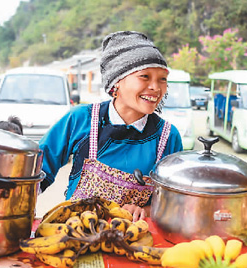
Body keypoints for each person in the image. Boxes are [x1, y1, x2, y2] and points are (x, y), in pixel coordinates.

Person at [38, 31, 183, 221]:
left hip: (134, 238)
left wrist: (145, 210)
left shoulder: (168, 136)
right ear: (116, 82)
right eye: (145, 76)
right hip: (76, 233)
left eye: (162, 79)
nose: (156, 87)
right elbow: (36, 173)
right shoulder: (81, 119)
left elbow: (175, 201)